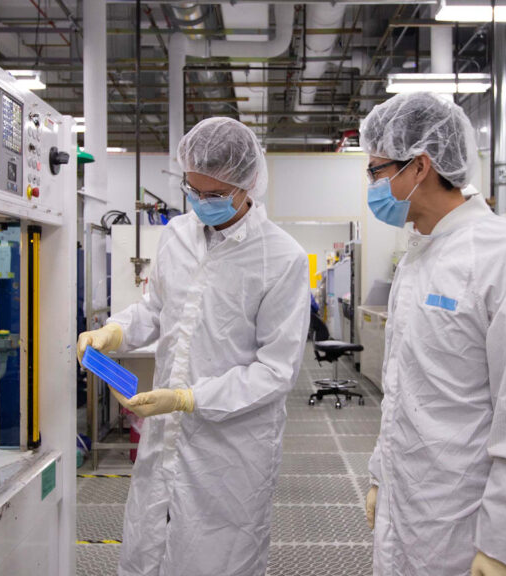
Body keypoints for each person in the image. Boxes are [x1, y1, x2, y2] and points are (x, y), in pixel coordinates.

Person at [77, 117, 311, 576]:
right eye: (193, 190)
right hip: (165, 438)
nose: (201, 203)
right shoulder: (178, 236)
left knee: (217, 558)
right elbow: (156, 309)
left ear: (248, 187)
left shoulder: (281, 259)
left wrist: (188, 398)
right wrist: (114, 332)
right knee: (149, 549)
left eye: (214, 196)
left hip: (230, 448)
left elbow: (276, 370)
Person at [358, 91, 506, 576]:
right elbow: (403, 390)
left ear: (419, 167)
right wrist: (380, 475)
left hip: (470, 523)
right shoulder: (419, 257)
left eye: (376, 170)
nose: (370, 184)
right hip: (409, 507)